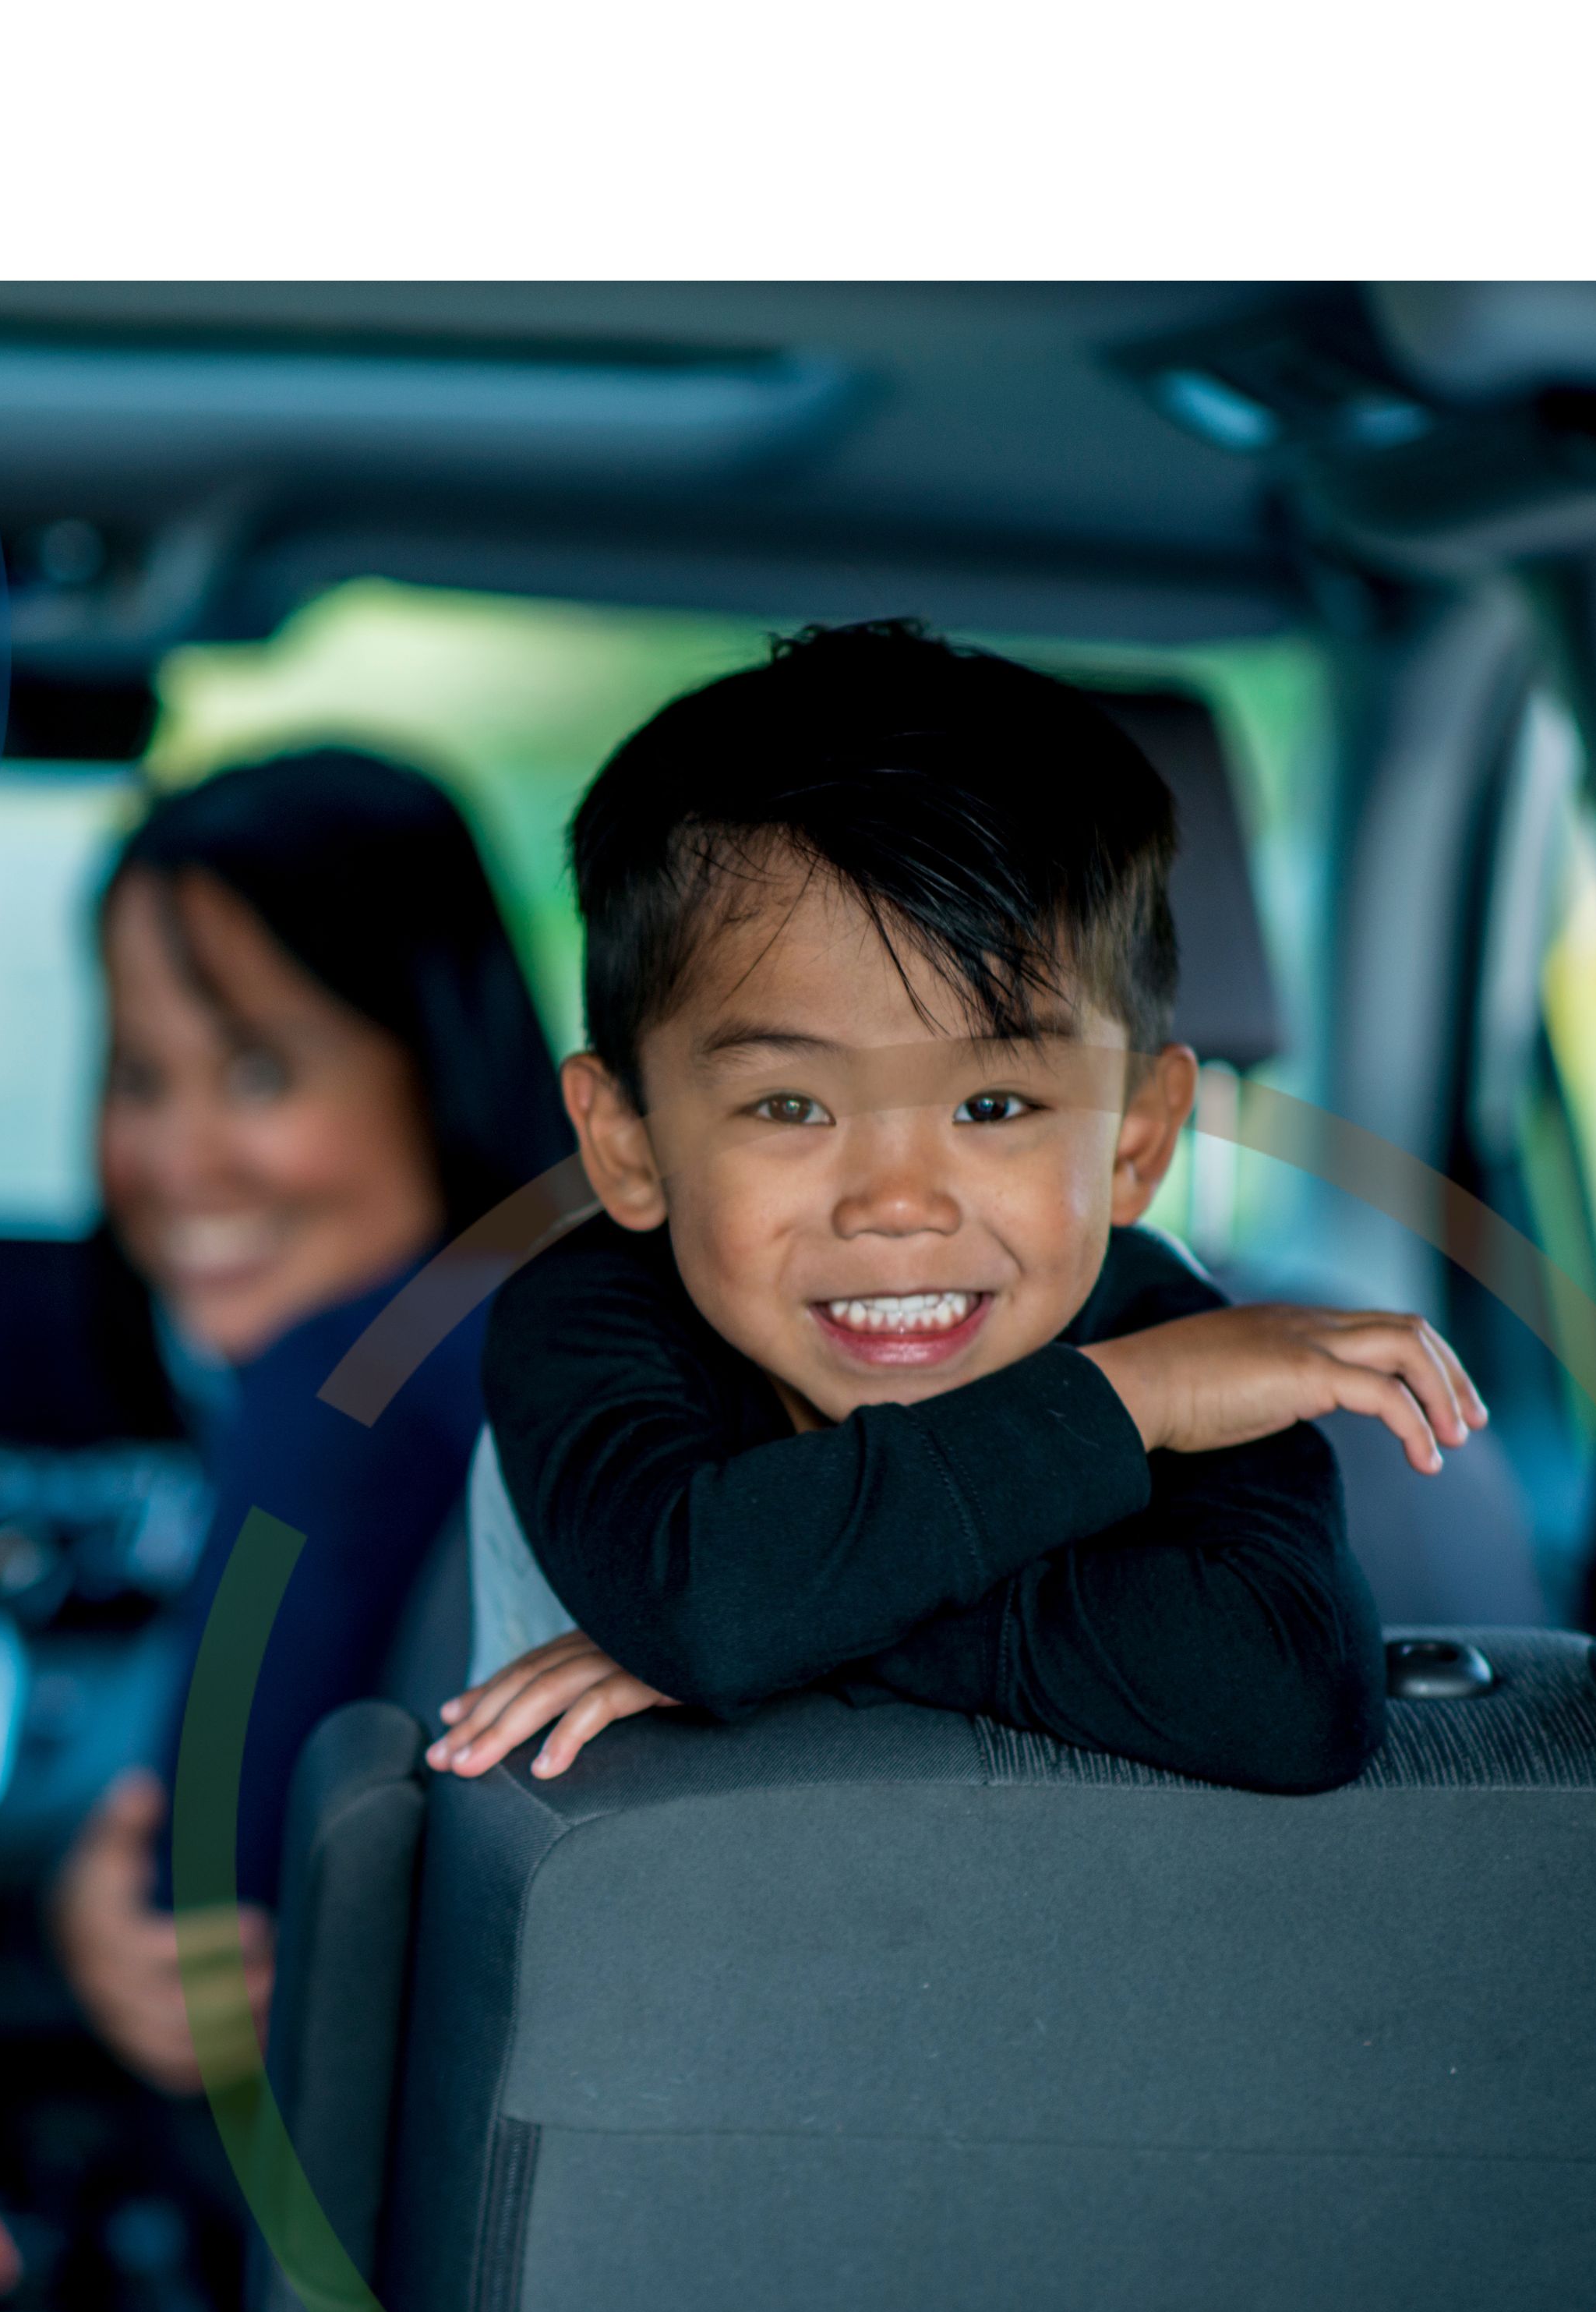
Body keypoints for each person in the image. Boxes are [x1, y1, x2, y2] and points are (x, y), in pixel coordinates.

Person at [432, 620, 1481, 1794]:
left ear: (1137, 1140)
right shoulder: (587, 1324)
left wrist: (801, 1633)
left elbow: (1287, 1699)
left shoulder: (1177, 1333)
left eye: (991, 1107)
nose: (895, 1203)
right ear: (628, 1144)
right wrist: (1130, 1400)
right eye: (788, 1106)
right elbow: (707, 1605)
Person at [44, 750, 568, 2090]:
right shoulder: (561, 1347)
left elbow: (198, 1931)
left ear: (437, 1051)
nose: (179, 1160)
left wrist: (97, 1922)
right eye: (140, 1079)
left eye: (261, 1073)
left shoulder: (352, 1388)